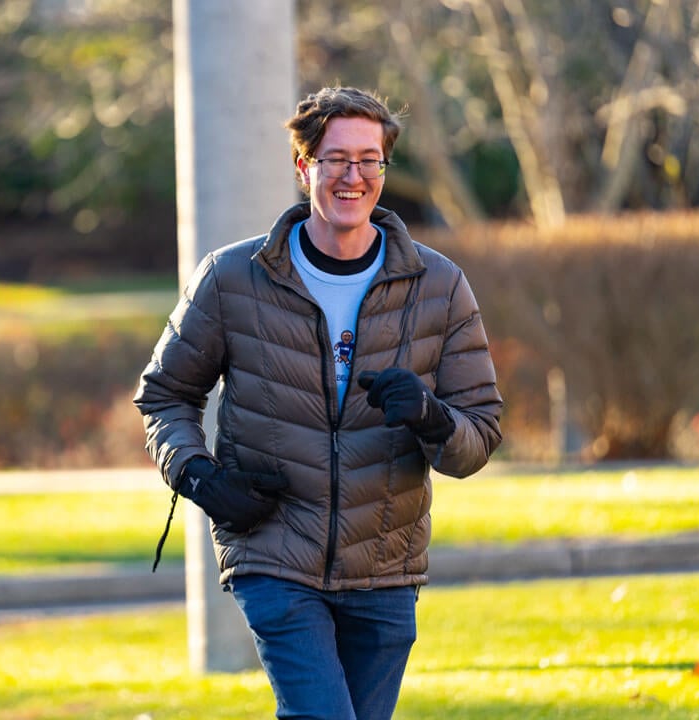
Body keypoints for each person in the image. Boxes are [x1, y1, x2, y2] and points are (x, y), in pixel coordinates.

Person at [134, 86, 502, 720]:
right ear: (303, 167)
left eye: (369, 160)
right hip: (273, 553)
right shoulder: (233, 277)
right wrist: (201, 477)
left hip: (386, 564)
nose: (352, 177)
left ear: (384, 168)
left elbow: (479, 436)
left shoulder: (438, 286)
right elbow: (165, 395)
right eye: (335, 159)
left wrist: (431, 415)